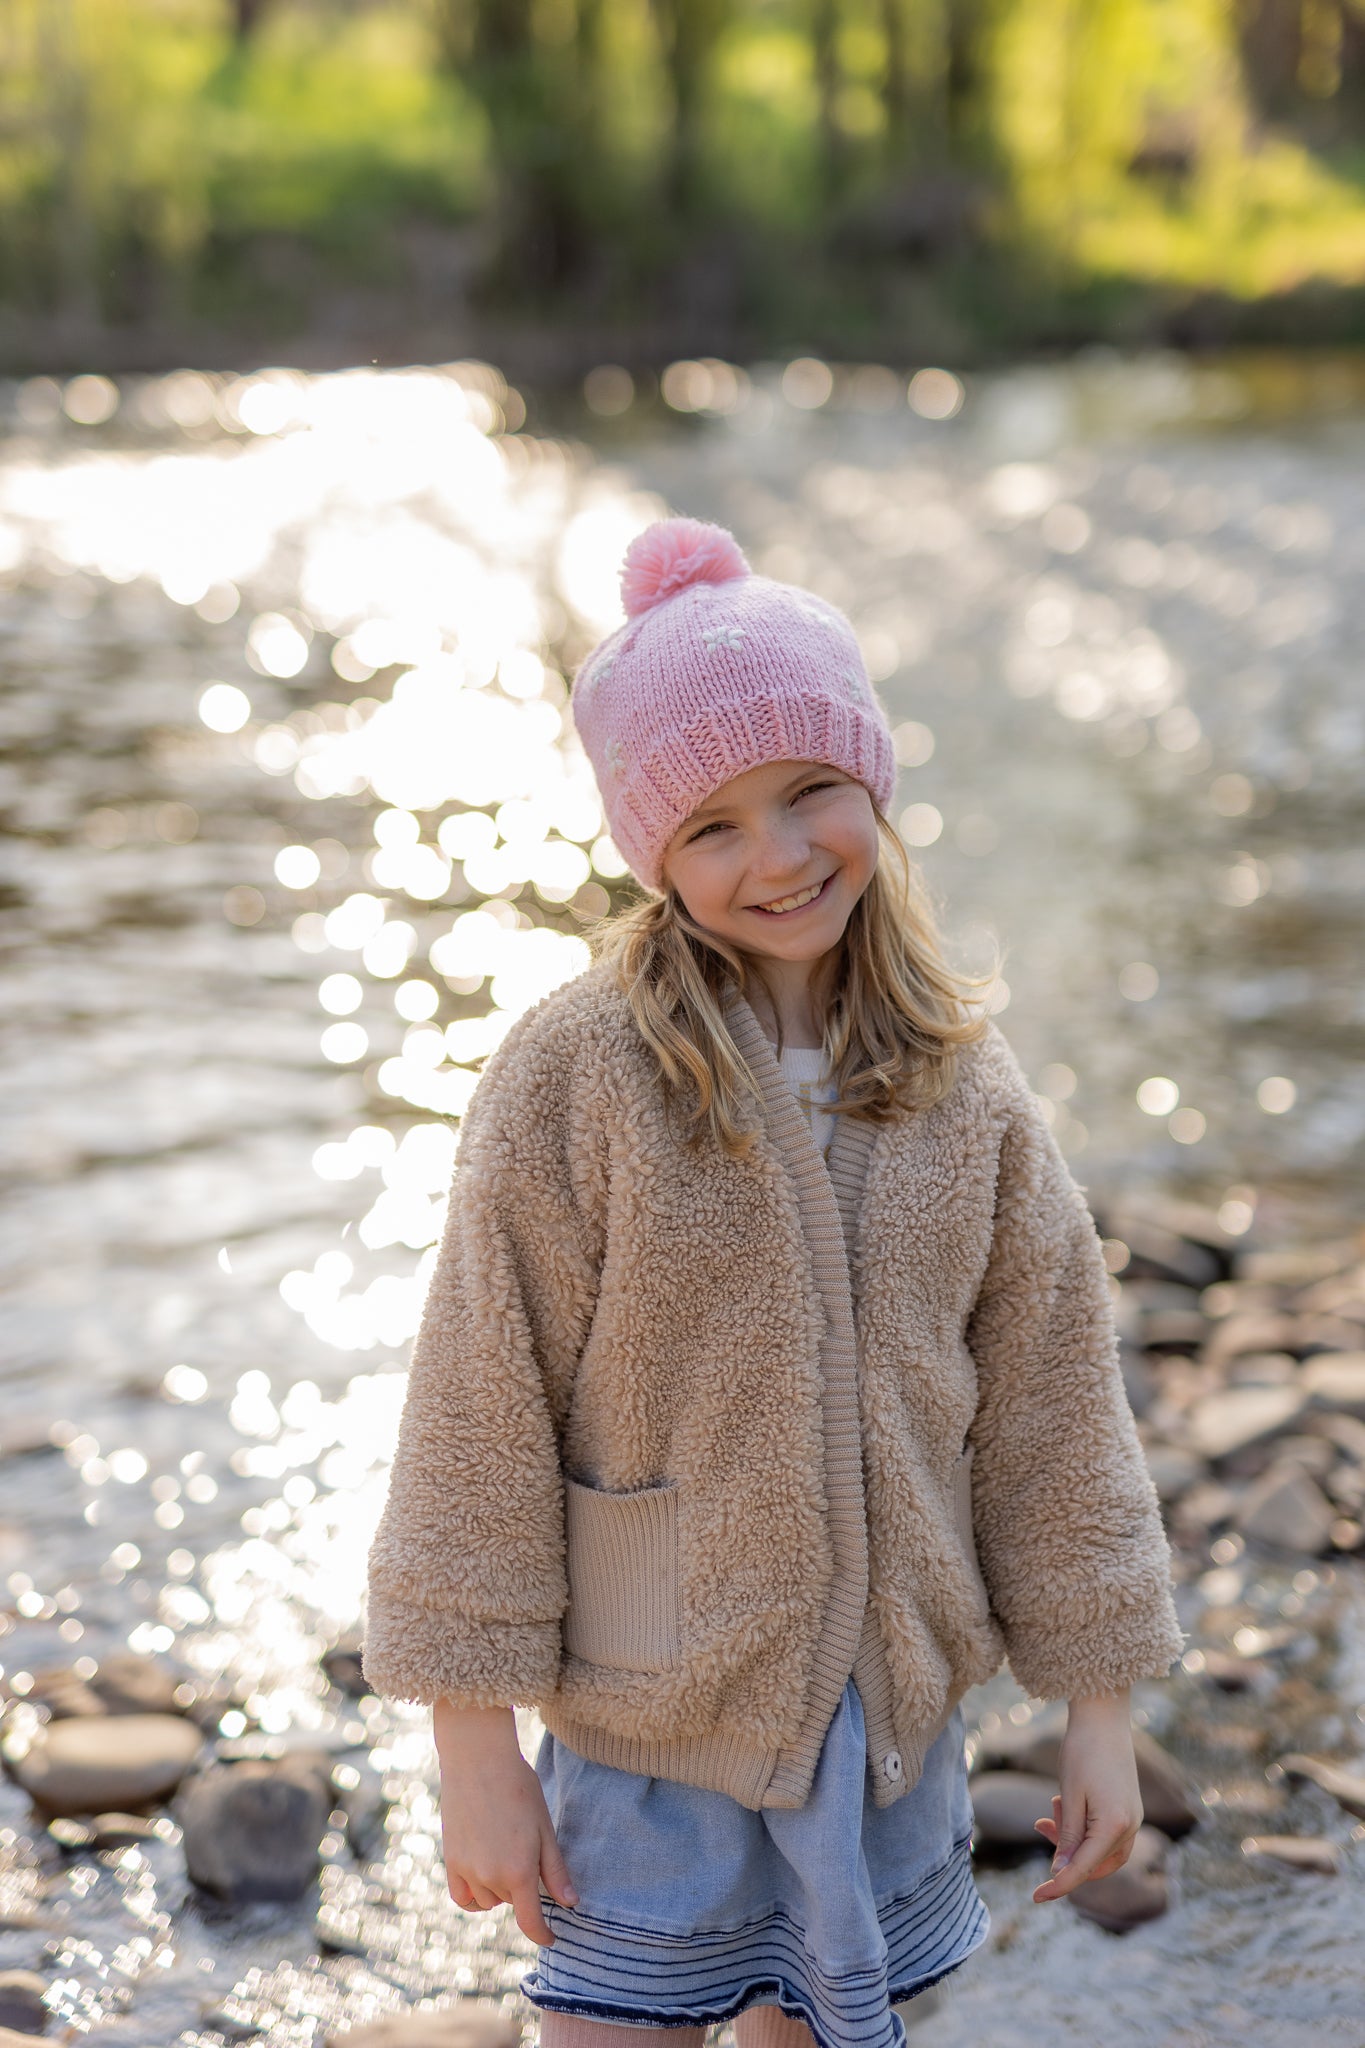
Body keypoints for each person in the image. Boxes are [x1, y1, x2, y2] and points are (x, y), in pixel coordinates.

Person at [362, 516, 1186, 2048]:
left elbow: (1056, 1415)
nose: (781, 855)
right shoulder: (577, 1074)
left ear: (870, 780)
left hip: (891, 1737)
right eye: (714, 825)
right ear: (648, 849)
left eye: (810, 792)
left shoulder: (964, 1088)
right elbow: (479, 1401)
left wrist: (1099, 1711)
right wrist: (470, 1741)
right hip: (651, 1722)